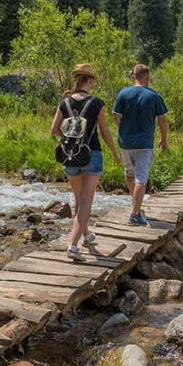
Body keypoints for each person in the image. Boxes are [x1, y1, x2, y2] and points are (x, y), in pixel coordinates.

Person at [51, 64, 122, 261]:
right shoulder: (96, 103)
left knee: (78, 199)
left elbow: (54, 130)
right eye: (93, 81)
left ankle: (87, 235)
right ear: (89, 81)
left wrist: (70, 139)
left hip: (70, 156)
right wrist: (115, 153)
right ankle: (73, 246)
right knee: (85, 202)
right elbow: (105, 132)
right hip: (92, 155)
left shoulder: (64, 102)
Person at [113, 64, 168, 226]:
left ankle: (134, 203)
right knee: (141, 177)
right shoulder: (154, 96)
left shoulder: (123, 93)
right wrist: (164, 140)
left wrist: (123, 129)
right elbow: (162, 120)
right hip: (144, 143)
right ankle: (135, 214)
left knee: (129, 173)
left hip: (125, 142)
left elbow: (116, 116)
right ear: (147, 77)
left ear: (133, 76)